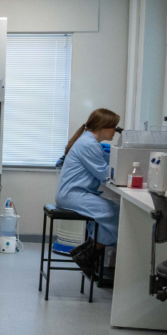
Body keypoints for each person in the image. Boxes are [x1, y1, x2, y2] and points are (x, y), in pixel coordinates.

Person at [56, 108, 121, 278]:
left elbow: (104, 165)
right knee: (114, 214)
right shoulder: (88, 144)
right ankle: (87, 254)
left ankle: (86, 253)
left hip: (77, 193)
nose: (115, 131)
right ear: (103, 126)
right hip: (72, 195)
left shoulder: (89, 142)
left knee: (113, 213)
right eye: (114, 127)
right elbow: (104, 174)